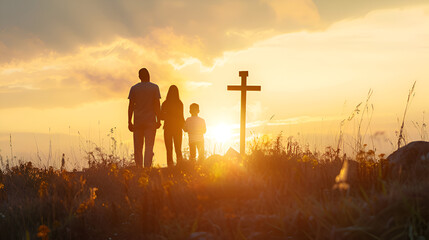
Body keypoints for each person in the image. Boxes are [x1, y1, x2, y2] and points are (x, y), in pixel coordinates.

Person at [128, 68, 161, 168]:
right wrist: (158, 119)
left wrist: (129, 121)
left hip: (138, 121)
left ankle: (139, 167)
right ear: (148, 75)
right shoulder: (154, 87)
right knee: (149, 146)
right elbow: (157, 105)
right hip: (150, 121)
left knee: (138, 147)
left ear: (139, 76)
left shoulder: (134, 88)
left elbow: (131, 106)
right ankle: (147, 167)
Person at [161, 85, 185, 167]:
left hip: (168, 128)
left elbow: (161, 117)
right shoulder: (179, 103)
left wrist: (167, 114)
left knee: (169, 149)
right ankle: (180, 165)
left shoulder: (165, 103)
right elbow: (182, 117)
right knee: (178, 149)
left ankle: (170, 165)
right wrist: (185, 126)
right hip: (178, 128)